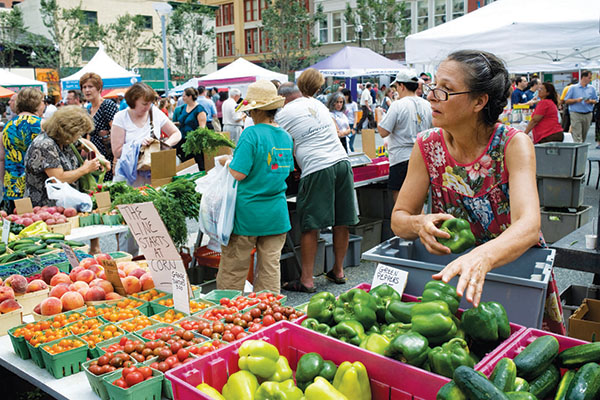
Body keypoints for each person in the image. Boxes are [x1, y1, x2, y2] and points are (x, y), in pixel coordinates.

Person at [391, 50, 565, 334]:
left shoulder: (512, 144)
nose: (432, 96)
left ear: (479, 101)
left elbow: (529, 225)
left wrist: (482, 256)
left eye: (446, 90)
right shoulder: (426, 146)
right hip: (455, 278)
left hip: (516, 274)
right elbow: (398, 218)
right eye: (433, 86)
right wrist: (418, 223)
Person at [276, 68, 358, 292]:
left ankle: (306, 280)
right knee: (342, 220)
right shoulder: (318, 104)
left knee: (310, 225)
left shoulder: (282, 114)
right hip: (342, 162)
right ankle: (338, 271)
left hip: (317, 167)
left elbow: (281, 148)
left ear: (281, 99)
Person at [216, 80, 293, 294]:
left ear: (256, 110)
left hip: (247, 215)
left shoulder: (251, 134)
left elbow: (239, 173)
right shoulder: (286, 137)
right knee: (270, 270)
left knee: (234, 270)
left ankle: (228, 316)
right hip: (276, 214)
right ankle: (267, 315)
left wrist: (227, 162)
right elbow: (284, 170)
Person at [24, 106, 103, 207]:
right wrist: (85, 169)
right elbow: (59, 178)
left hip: (65, 205)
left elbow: (84, 143)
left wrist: (100, 157)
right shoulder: (45, 145)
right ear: (66, 130)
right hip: (45, 208)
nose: (78, 136)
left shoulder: (64, 140)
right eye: (77, 133)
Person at [110, 83, 181, 186]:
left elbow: (176, 133)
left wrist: (161, 146)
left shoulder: (155, 113)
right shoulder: (120, 117)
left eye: (150, 103)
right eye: (144, 104)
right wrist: (138, 145)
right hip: (129, 177)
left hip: (154, 173)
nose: (148, 107)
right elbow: (117, 152)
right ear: (133, 101)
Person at [378, 70, 433, 202]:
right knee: (418, 202)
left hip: (401, 159)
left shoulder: (398, 105)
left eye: (396, 86)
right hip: (423, 157)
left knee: (401, 204)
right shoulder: (427, 104)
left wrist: (379, 115)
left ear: (401, 86)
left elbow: (383, 131)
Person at [0, 88, 44, 210]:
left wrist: (4, 183)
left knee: (16, 224)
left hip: (12, 186)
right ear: (37, 104)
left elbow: (1, 158)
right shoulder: (42, 125)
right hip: (37, 187)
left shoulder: (7, 127)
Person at [81, 72, 119, 181]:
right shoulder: (88, 109)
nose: (87, 90)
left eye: (90, 86)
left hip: (109, 157)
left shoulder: (107, 105)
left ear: (99, 88)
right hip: (96, 159)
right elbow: (89, 136)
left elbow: (117, 132)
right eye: (84, 87)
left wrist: (116, 160)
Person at [172, 87, 207, 166]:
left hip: (193, 143)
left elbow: (202, 128)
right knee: (185, 163)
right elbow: (183, 122)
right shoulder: (184, 107)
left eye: (184, 96)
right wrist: (174, 124)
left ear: (190, 96)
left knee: (196, 163)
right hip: (183, 140)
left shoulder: (199, 109)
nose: (182, 98)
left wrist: (194, 139)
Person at [564, 70, 599, 143]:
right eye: (589, 78)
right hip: (576, 113)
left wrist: (591, 101)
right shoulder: (573, 88)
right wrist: (576, 100)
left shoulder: (591, 88)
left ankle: (580, 149)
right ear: (583, 77)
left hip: (588, 113)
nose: (590, 80)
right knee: (577, 135)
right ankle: (578, 151)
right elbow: (566, 100)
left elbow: (596, 100)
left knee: (584, 134)